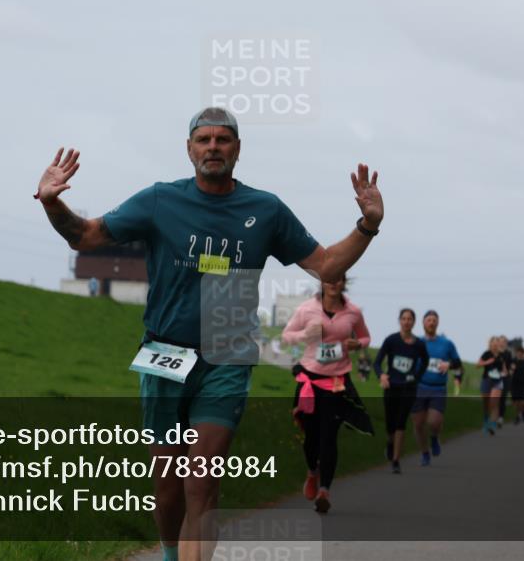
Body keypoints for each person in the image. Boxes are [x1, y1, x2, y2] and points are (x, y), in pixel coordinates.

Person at [35, 107, 385, 561]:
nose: (214, 147)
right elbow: (85, 237)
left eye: (223, 140)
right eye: (204, 140)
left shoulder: (266, 210)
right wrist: (51, 202)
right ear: (189, 148)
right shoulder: (161, 200)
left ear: (238, 149)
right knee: (167, 485)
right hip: (164, 352)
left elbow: (327, 265)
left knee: (202, 481)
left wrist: (368, 225)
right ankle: (167, 551)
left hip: (227, 356)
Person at [281, 273, 374, 513]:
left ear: (344, 283)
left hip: (337, 382)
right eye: (329, 279)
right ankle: (312, 471)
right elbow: (286, 336)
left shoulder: (353, 312)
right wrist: (306, 335)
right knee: (311, 436)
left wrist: (358, 344)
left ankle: (325, 491)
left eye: (339, 279)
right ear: (322, 283)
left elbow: (365, 336)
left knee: (329, 437)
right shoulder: (306, 308)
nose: (334, 283)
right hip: (310, 381)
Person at [373, 308, 429, 473]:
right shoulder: (391, 340)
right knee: (390, 423)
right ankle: (390, 443)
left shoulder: (419, 344)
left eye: (410, 319)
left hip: (408, 388)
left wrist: (416, 377)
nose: (406, 321)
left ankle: (396, 460)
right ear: (399, 321)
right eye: (403, 318)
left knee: (401, 422)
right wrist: (382, 376)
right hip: (391, 387)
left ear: (413, 322)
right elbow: (377, 363)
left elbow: (425, 362)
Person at [410, 310, 462, 466]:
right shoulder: (416, 342)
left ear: (437, 323)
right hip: (418, 387)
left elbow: (458, 363)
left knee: (433, 422)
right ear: (423, 323)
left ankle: (434, 437)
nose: (431, 322)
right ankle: (425, 453)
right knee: (418, 424)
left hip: (438, 388)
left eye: (434, 320)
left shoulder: (447, 343)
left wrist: (449, 364)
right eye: (428, 320)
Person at [477, 336, 505, 435]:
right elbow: (478, 365)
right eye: (493, 343)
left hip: (497, 381)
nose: (495, 345)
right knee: (486, 404)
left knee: (494, 402)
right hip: (486, 380)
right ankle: (486, 420)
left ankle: (492, 425)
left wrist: (504, 373)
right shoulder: (486, 354)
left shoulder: (501, 355)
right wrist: (487, 362)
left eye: (496, 343)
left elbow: (504, 369)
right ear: (490, 344)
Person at [497, 336, 513, 427]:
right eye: (500, 341)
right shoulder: (495, 353)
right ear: (498, 342)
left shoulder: (508, 354)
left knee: (502, 398)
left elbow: (510, 366)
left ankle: (500, 418)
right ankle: (493, 416)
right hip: (495, 377)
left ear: (506, 343)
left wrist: (509, 372)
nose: (502, 343)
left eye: (504, 342)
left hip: (505, 378)